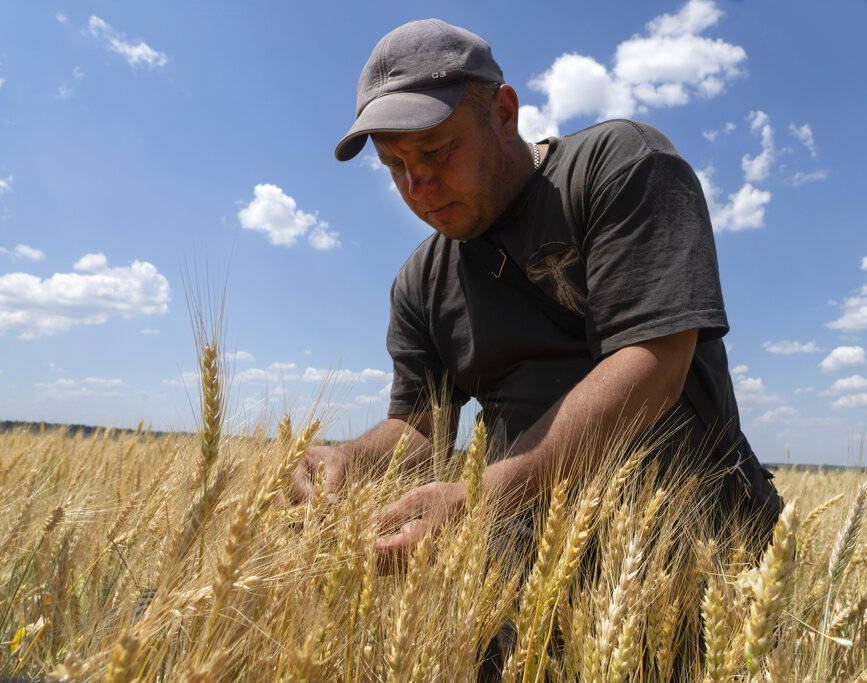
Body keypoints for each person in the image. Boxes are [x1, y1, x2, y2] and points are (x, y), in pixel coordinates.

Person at [292, 19, 780, 560]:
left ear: (503, 114)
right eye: (395, 164)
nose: (416, 185)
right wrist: (348, 461)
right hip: (526, 582)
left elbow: (654, 364)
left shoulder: (617, 168)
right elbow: (421, 430)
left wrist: (480, 499)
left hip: (697, 553)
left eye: (434, 150)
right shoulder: (420, 284)